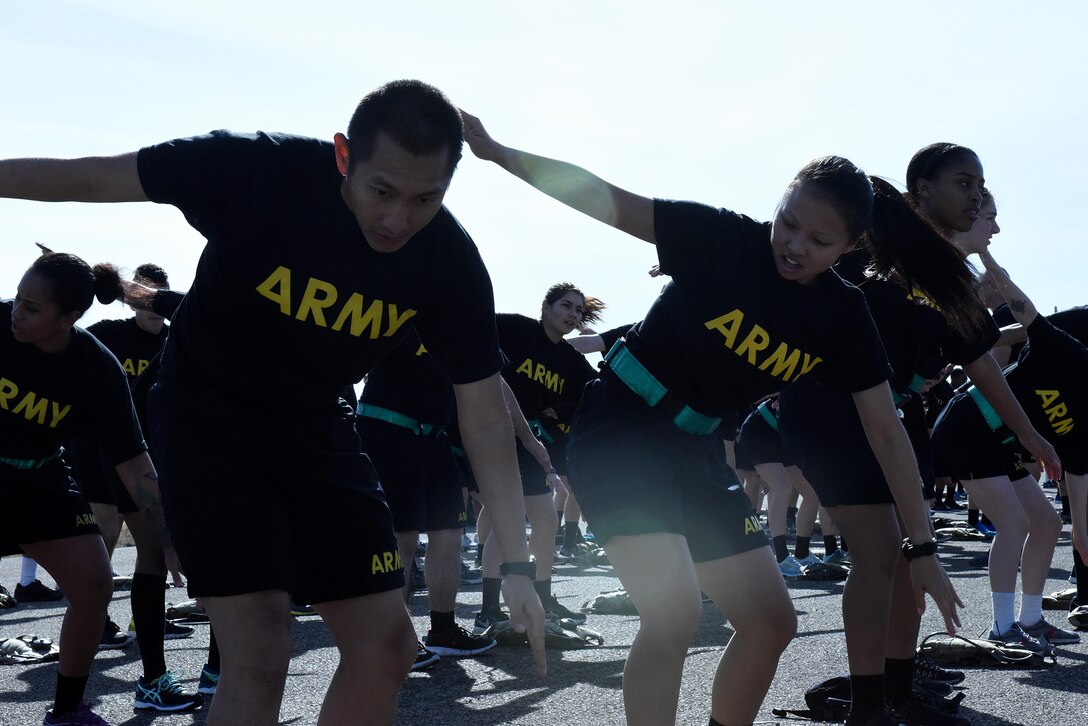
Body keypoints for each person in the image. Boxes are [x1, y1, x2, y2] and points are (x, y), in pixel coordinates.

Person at [0, 80, 545, 726]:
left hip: (317, 426)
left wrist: (516, 565)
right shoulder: (257, 172)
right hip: (210, 415)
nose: (398, 220)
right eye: (382, 191)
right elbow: (96, 177)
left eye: (425, 199)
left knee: (389, 647)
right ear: (344, 156)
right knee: (259, 648)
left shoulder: (447, 262)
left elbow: (483, 414)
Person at [460, 110, 962, 726]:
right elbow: (602, 198)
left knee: (771, 620)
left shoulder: (843, 315)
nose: (795, 245)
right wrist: (497, 151)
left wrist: (923, 547)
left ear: (851, 246)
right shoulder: (722, 239)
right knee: (672, 613)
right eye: (789, 222)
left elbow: (887, 431)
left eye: (820, 240)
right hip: (621, 427)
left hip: (697, 452)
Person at [1, 251, 177, 725]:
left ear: (68, 318)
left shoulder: (97, 370)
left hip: (40, 477)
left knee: (94, 584)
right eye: (18, 299)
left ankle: (67, 711)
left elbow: (135, 463)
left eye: (33, 308)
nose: (17, 312)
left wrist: (167, 538)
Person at [931, 192, 1080, 648]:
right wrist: (985, 257)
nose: (993, 226)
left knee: (1049, 525)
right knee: (1014, 523)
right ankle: (1001, 629)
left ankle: (1030, 619)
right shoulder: (1068, 348)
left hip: (999, 435)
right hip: (968, 424)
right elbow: (1017, 311)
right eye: (988, 218)